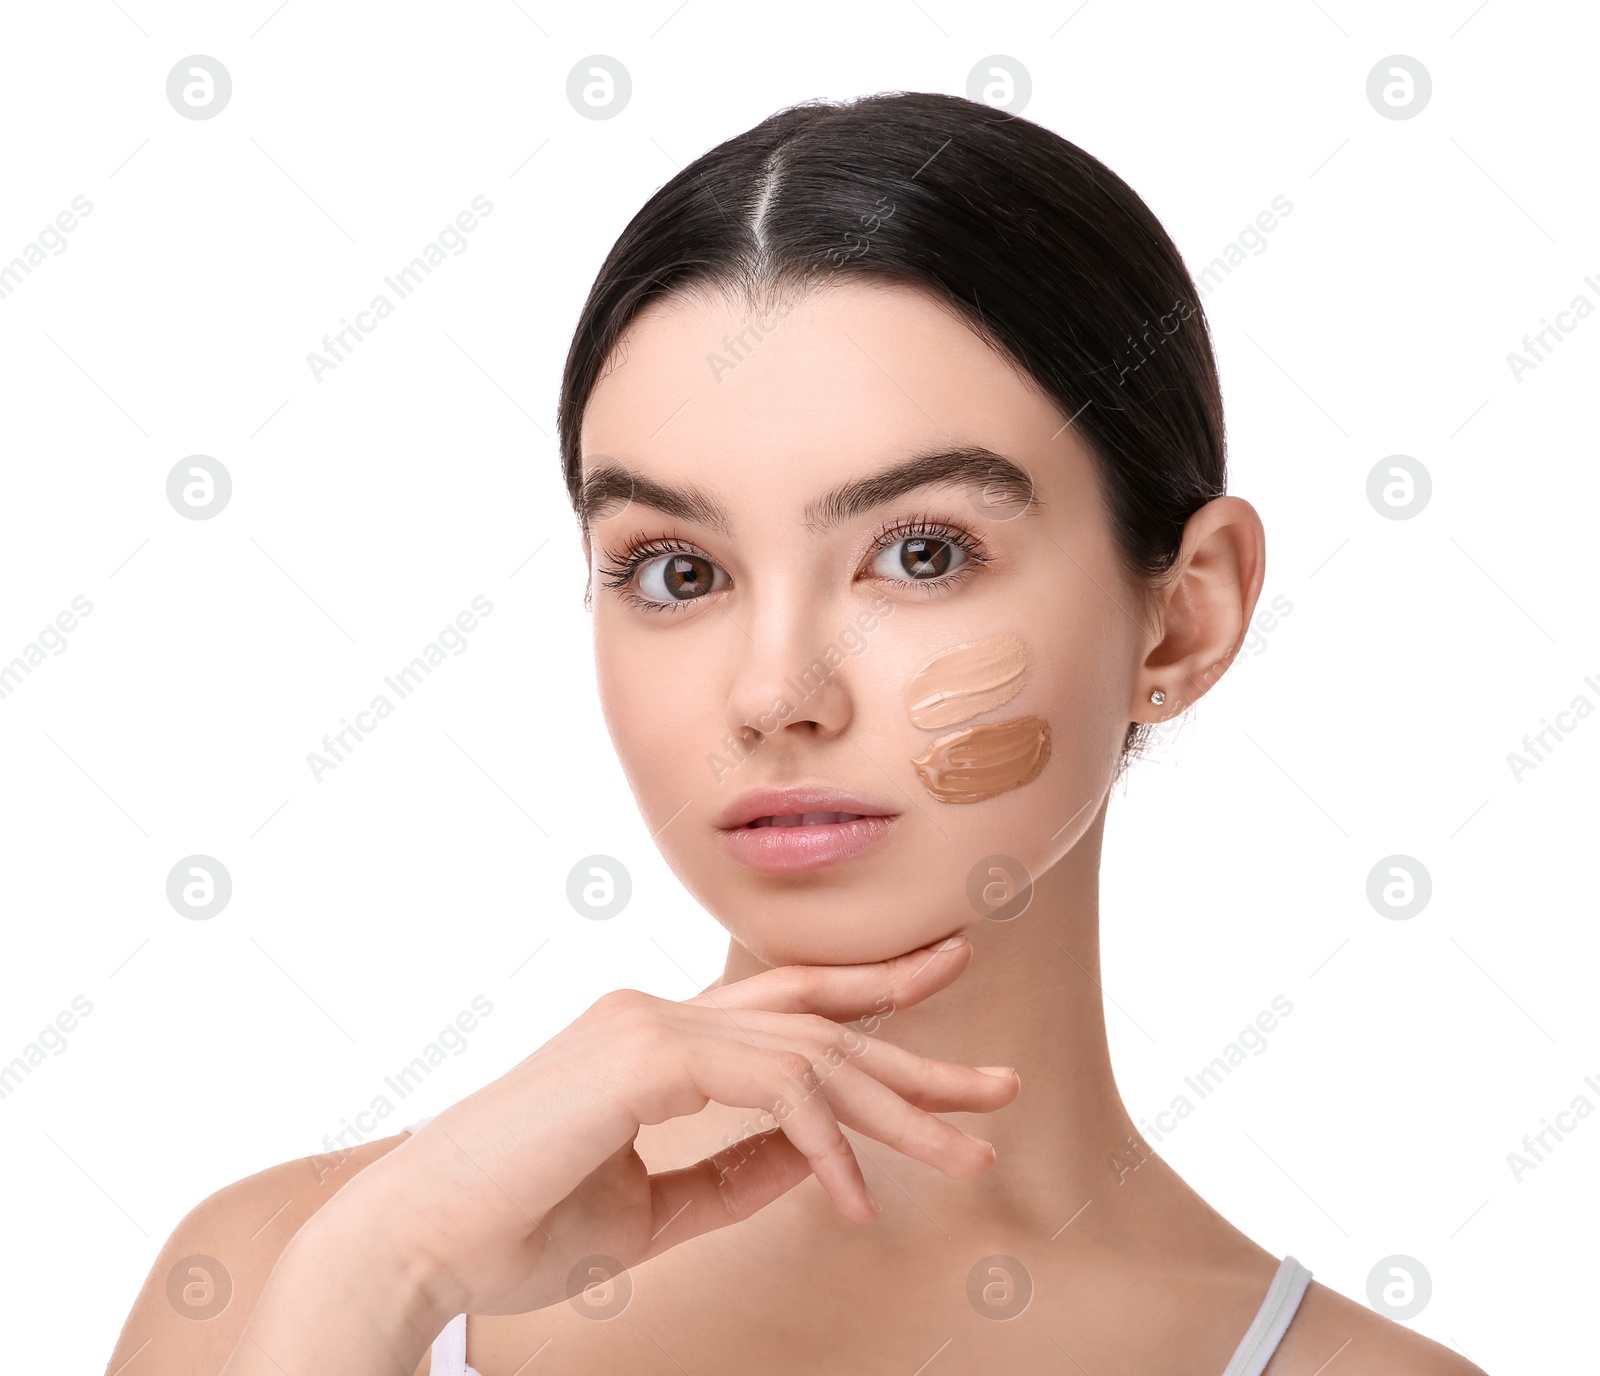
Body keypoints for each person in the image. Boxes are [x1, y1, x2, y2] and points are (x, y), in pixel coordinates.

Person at [109, 91, 1484, 1376]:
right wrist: (376, 1277)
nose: (775, 693)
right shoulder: (271, 1277)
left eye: (924, 553)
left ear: (1184, 619)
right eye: (678, 572)